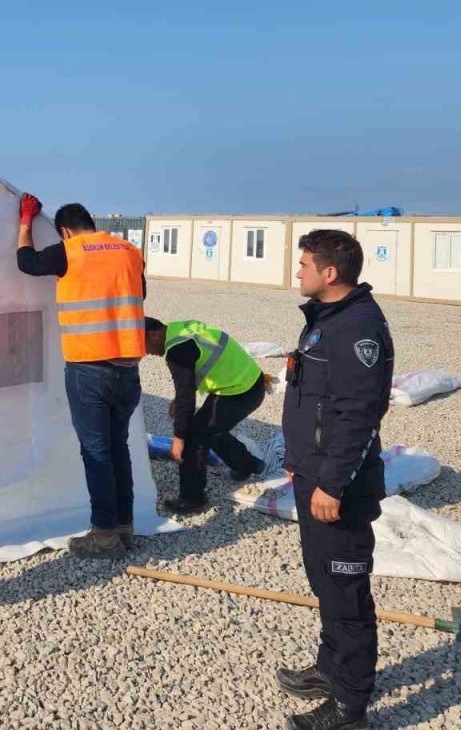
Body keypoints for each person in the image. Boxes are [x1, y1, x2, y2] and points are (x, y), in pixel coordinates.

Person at [277, 230, 394, 730]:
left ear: (330, 273)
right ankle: (331, 669)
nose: (297, 271)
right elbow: (315, 401)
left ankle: (350, 707)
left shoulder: (358, 328)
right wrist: (300, 460)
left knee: (346, 594)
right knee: (325, 581)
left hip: (338, 487)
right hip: (314, 473)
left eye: (304, 264)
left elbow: (357, 414)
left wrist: (333, 484)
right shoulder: (326, 320)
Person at [15, 194, 145, 558]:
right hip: (128, 370)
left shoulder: (71, 250)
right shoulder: (129, 250)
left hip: (90, 368)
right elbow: (138, 293)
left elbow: (26, 262)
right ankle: (124, 527)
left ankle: (103, 535)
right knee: (118, 448)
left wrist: (25, 221)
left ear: (66, 231)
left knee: (97, 452)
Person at [143, 317, 279, 515]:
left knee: (194, 436)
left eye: (143, 345)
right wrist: (179, 399)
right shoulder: (180, 329)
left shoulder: (176, 352)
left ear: (154, 334)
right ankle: (248, 464)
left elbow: (186, 400)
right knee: (210, 428)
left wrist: (179, 437)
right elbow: (199, 367)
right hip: (247, 383)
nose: (146, 352)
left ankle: (192, 499)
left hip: (240, 392)